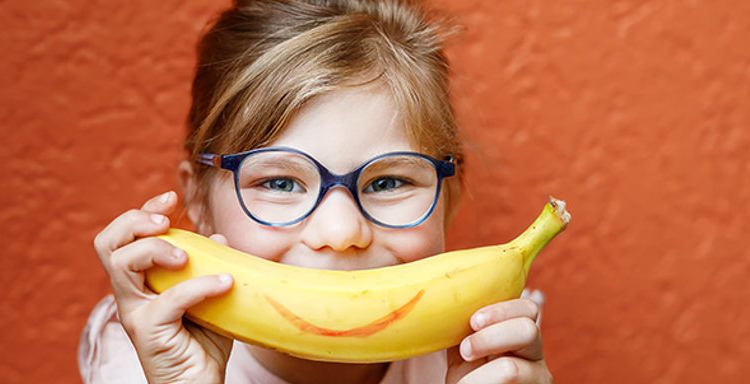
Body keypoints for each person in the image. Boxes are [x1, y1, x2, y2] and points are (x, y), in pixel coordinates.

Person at [80, 0, 552, 383]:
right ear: (198, 202)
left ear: (449, 198)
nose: (342, 231)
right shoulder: (145, 360)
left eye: (389, 182)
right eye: (280, 182)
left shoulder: (487, 354)